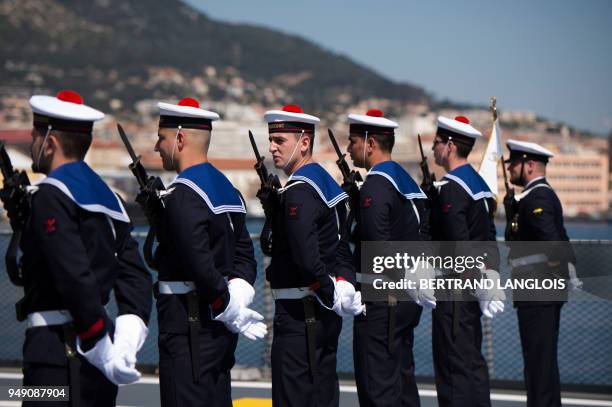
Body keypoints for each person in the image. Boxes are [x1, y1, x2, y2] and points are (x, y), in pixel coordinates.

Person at [16, 90, 152, 406]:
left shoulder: (51, 195)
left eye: (36, 135)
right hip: (98, 360)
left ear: (49, 142)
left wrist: (95, 340)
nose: (33, 142)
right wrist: (123, 342)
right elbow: (136, 278)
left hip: (52, 355)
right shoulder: (111, 199)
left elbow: (72, 273)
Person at [151, 97, 266, 406]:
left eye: (161, 138)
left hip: (188, 324)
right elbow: (244, 253)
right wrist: (237, 291)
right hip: (217, 329)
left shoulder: (183, 193)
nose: (156, 146)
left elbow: (197, 260)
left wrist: (224, 302)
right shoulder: (226, 188)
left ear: (180, 138)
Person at [261, 104, 360, 407]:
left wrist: (328, 291)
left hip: (298, 314)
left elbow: (305, 257)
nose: (272, 147)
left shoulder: (300, 190)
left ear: (304, 142)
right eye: (271, 140)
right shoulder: (327, 184)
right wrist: (343, 283)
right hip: (323, 315)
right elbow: (341, 246)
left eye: (281, 141)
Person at [346, 108, 435, 407]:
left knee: (377, 389)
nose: (348, 148)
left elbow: (377, 244)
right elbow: (424, 231)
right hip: (406, 297)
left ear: (370, 144)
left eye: (353, 141)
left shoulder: (376, 185)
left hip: (383, 300)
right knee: (402, 383)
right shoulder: (405, 181)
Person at [429, 115, 504, 407]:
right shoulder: (478, 184)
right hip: (473, 289)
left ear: (449, 146)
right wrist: (490, 277)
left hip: (454, 292)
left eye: (436, 143)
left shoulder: (452, 188)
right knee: (472, 366)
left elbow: (459, 246)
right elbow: (488, 238)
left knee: (453, 370)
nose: (433, 149)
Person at [504, 139, 576, 407]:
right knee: (539, 366)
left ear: (530, 165)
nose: (510, 168)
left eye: (514, 163)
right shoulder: (533, 197)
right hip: (538, 295)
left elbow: (555, 245)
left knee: (539, 368)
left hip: (538, 294)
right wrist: (513, 216)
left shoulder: (539, 197)